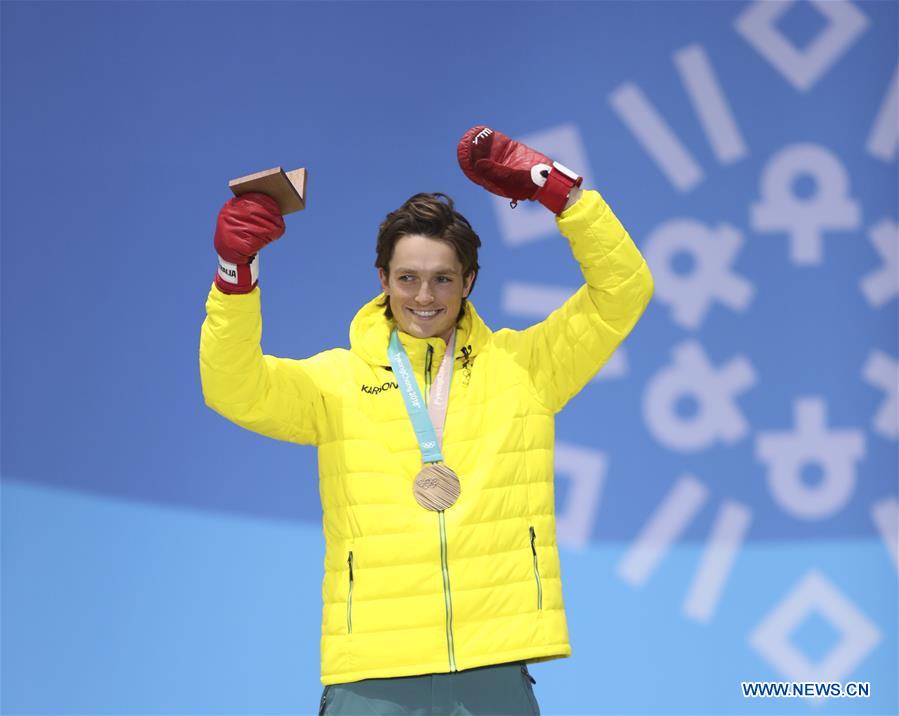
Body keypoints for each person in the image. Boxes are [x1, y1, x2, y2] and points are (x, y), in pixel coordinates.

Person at [199, 126, 654, 715]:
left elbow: (624, 288)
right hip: (373, 674)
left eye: (443, 278)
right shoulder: (334, 382)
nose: (424, 296)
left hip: (493, 664)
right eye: (407, 278)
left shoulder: (526, 369)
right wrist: (235, 275)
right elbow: (232, 386)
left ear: (469, 283)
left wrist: (561, 194)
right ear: (383, 281)